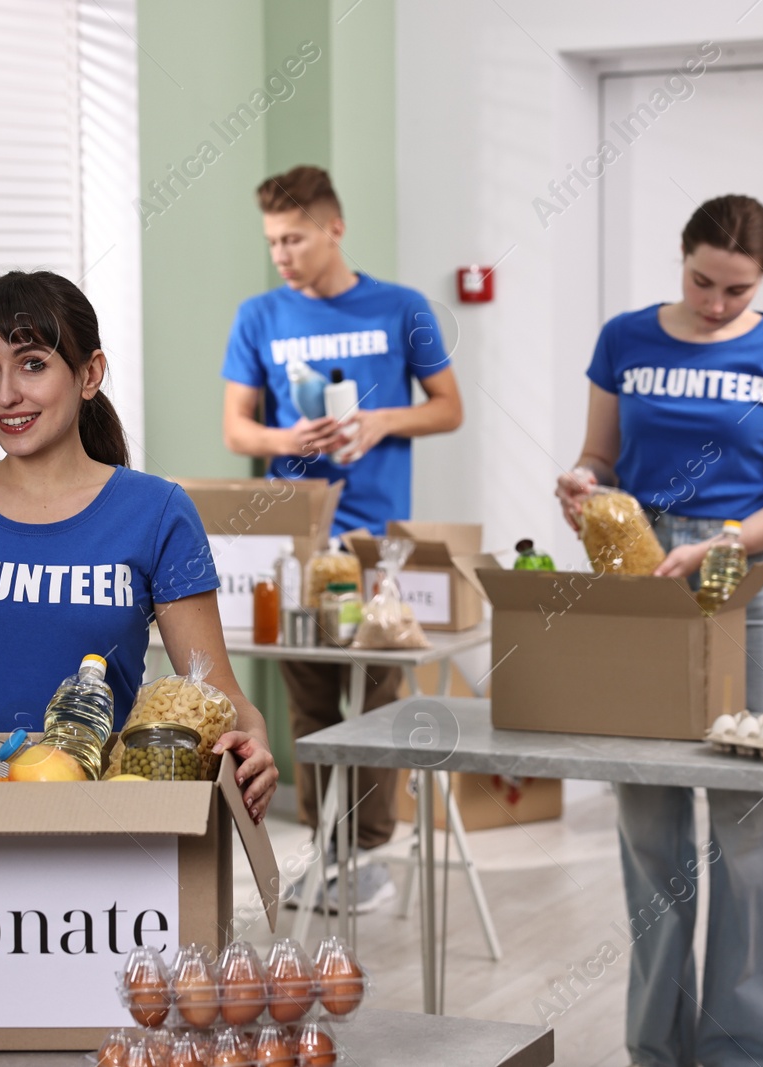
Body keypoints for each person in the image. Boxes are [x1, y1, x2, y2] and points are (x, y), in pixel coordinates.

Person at [0, 271, 278, 820]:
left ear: (90, 374)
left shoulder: (156, 512)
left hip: (105, 820)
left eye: (33, 363)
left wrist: (253, 743)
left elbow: (221, 694)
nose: (6, 394)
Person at [555, 195, 763, 1067]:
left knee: (751, 820)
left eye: (736, 289)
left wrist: (727, 540)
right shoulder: (625, 337)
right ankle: (656, 1046)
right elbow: (598, 456)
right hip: (639, 569)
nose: (716, 302)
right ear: (682, 259)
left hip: (738, 570)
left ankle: (744, 1049)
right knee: (648, 818)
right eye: (702, 281)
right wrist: (581, 481)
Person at [220, 166, 463, 912]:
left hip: (377, 538)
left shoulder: (402, 307)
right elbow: (236, 431)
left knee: (376, 692)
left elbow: (448, 408)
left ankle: (368, 852)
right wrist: (287, 434)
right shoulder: (259, 315)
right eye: (272, 240)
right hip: (295, 535)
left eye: (293, 237)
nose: (281, 254)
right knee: (311, 697)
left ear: (335, 227)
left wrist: (382, 420)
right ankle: (328, 847)